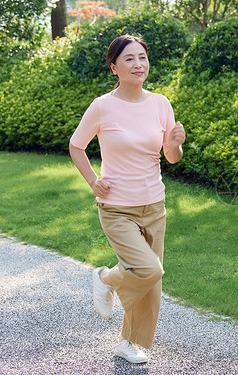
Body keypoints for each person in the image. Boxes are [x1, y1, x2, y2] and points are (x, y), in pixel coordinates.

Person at [69, 34, 185, 364]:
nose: (138, 64)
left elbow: (171, 157)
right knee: (149, 269)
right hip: (117, 207)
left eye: (142, 57)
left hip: (154, 206)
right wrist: (94, 181)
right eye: (129, 59)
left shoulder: (161, 103)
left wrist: (176, 142)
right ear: (114, 67)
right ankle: (104, 278)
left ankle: (128, 342)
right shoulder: (103, 106)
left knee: (150, 285)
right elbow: (76, 145)